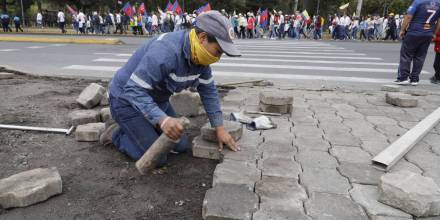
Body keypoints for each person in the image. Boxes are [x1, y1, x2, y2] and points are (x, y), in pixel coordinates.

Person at [101, 11, 241, 168]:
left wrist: (219, 129)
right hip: (126, 100)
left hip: (156, 100)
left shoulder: (200, 59)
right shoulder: (166, 52)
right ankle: (115, 134)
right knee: (158, 158)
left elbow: (209, 92)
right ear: (202, 38)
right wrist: (163, 120)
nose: (218, 58)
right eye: (218, 51)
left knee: (180, 145)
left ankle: (142, 128)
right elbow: (134, 90)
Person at [395, 0, 440, 85]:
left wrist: (402, 30)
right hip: (428, 33)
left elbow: (408, 17)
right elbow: (439, 21)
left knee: (406, 55)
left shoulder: (418, 2)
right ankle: (414, 79)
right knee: (420, 57)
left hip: (414, 31)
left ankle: (403, 78)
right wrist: (434, 33)